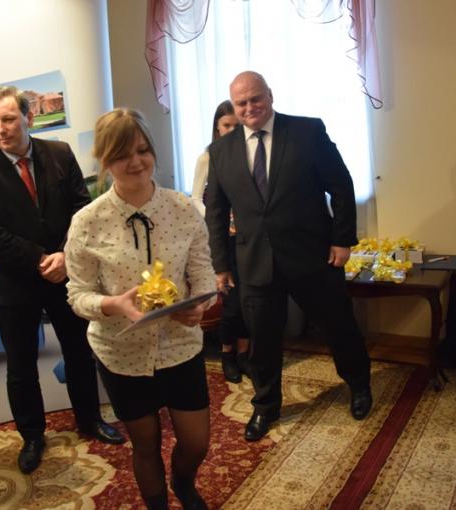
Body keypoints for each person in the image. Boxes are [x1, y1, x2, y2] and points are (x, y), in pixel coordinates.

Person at [0, 87, 124, 475]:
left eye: (8, 119)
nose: (1, 129)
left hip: (66, 276)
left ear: (28, 118)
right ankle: (33, 436)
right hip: (17, 284)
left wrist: (66, 256)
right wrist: (40, 259)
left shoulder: (60, 153)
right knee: (21, 367)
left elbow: (81, 211)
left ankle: (90, 420)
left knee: (79, 352)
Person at [205, 71, 372, 442]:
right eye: (241, 103)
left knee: (339, 326)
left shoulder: (307, 131)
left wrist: (342, 240)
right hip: (254, 263)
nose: (249, 107)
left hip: (313, 256)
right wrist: (220, 265)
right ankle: (265, 406)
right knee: (262, 341)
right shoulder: (220, 152)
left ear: (270, 95)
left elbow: (340, 184)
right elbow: (215, 213)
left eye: (255, 98)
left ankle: (359, 385)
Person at [64, 109, 216, 510]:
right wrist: (111, 304)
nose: (135, 162)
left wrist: (201, 305)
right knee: (145, 444)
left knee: (196, 442)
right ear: (105, 161)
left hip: (180, 347)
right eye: (121, 155)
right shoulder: (86, 222)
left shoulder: (183, 210)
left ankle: (183, 484)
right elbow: (77, 295)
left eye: (143, 150)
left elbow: (204, 275)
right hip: (121, 354)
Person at [191, 100, 250, 383]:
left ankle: (245, 353)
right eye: (227, 125)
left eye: (236, 125)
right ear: (217, 127)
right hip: (222, 239)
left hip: (249, 238)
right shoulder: (208, 157)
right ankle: (228, 354)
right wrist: (219, 218)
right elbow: (195, 198)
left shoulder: (251, 152)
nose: (232, 131)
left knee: (249, 299)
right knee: (231, 301)